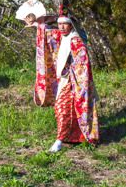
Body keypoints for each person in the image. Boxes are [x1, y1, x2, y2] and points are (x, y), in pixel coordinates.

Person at [24, 10, 99, 150]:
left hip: (73, 81)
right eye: (59, 24)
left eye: (65, 24)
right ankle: (76, 137)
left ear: (71, 25)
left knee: (62, 109)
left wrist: (73, 71)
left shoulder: (75, 38)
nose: (62, 27)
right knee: (69, 110)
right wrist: (35, 24)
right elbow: (47, 30)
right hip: (64, 80)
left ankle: (59, 141)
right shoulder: (62, 36)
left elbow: (82, 59)